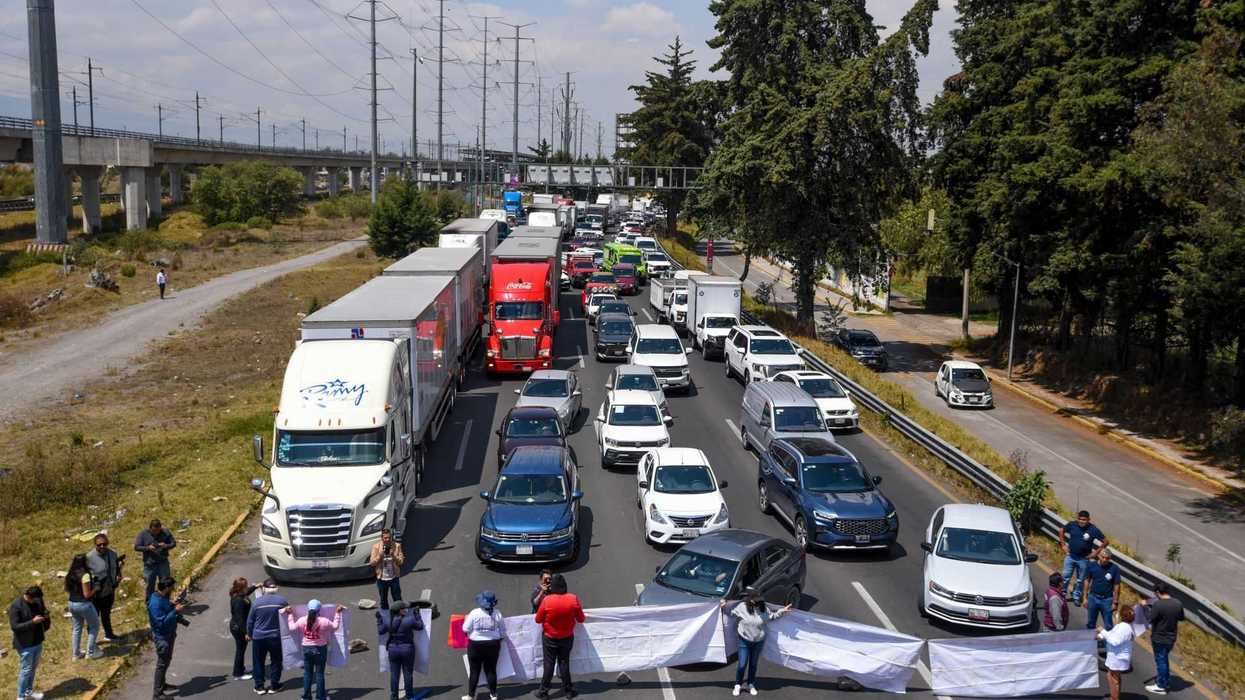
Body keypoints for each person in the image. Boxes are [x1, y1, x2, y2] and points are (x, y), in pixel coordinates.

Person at [722, 595, 792, 696]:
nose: (757, 605)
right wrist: (724, 607)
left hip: (758, 642)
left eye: (759, 603)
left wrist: (783, 611)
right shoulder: (742, 607)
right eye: (755, 603)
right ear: (750, 601)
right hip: (744, 641)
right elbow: (731, 613)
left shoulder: (764, 609)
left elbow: (772, 616)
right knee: (742, 664)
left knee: (753, 664)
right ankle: (738, 684)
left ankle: (751, 684)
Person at [533, 574, 584, 699]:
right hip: (566, 637)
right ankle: (568, 691)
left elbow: (538, 620)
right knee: (564, 663)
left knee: (549, 664)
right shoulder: (573, 599)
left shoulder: (547, 600)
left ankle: (543, 692)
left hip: (549, 638)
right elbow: (581, 619)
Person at [285, 599, 343, 700]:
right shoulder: (324, 621)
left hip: (306, 648)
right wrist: (337, 613)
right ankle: (320, 697)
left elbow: (292, 628)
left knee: (307, 673)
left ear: (308, 609)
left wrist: (290, 615)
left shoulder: (302, 620)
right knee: (320, 674)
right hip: (321, 649)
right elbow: (335, 626)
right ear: (319, 610)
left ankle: (307, 696)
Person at [246, 578, 288, 695]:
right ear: (276, 589)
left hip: (259, 637)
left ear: (264, 589)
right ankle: (274, 685)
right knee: (276, 660)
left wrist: (249, 633)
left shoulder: (256, 603)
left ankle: (259, 686)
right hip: (275, 636)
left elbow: (250, 621)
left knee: (258, 661)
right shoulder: (282, 601)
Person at [10, 586, 51, 700]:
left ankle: (28, 692)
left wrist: (46, 616)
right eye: (34, 600)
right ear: (28, 596)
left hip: (37, 641)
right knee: (26, 670)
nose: (36, 602)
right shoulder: (16, 606)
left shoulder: (37, 601)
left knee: (32, 668)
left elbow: (44, 613)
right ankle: (21, 697)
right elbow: (15, 626)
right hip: (25, 644)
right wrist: (32, 622)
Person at [1144, 582, 1185, 695]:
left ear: (1158, 592)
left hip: (1159, 637)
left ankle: (1161, 685)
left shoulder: (1158, 605)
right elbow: (1181, 618)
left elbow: (1150, 618)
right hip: (1171, 637)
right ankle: (1165, 680)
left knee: (1161, 661)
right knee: (1164, 659)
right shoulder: (1178, 603)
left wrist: (1146, 607)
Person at [463, 591, 505, 700]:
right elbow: (503, 633)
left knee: (474, 671)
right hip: (493, 645)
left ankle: (470, 696)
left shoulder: (474, 613)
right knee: (491, 671)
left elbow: (465, 629)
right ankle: (493, 695)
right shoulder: (498, 614)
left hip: (475, 646)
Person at [378, 600, 424, 700]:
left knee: (394, 674)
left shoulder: (387, 621)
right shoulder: (409, 620)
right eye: (404, 608)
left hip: (393, 650)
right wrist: (417, 614)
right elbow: (420, 626)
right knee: (408, 673)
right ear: (400, 611)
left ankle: (394, 696)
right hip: (407, 649)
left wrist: (379, 620)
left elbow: (380, 631)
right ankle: (409, 695)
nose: (406, 610)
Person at [148, 576, 185, 700]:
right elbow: (161, 623)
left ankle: (162, 685)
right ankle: (157, 695)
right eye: (172, 587)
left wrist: (172, 605)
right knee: (162, 664)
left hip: (169, 634)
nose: (173, 589)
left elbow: (166, 609)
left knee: (167, 660)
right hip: (162, 637)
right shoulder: (155, 603)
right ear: (167, 588)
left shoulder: (161, 597)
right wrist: (175, 611)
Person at [1060, 510, 1107, 606]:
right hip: (1070, 556)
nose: (1082, 521)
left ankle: (1076, 597)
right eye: (1080, 519)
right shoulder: (1072, 525)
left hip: (1083, 559)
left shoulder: (1093, 529)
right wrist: (1063, 544)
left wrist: (1096, 552)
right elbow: (1061, 530)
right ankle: (1062, 594)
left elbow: (1106, 541)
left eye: (1084, 520)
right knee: (1065, 577)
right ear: (1077, 519)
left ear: (1088, 520)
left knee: (1081, 580)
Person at [86, 533, 124, 642]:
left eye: (104, 544)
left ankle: (109, 634)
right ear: (95, 545)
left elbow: (116, 567)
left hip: (110, 589)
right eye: (99, 545)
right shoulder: (89, 557)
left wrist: (118, 575)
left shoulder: (113, 554)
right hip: (96, 592)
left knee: (106, 614)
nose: (102, 546)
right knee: (93, 617)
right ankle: (91, 640)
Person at [65, 553, 104, 660]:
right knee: (94, 626)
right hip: (83, 604)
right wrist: (95, 588)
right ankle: (90, 653)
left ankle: (76, 654)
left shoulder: (71, 573)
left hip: (72, 603)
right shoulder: (85, 575)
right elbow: (87, 594)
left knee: (77, 628)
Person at [1097, 605, 1136, 700]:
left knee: (1113, 679)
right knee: (1113, 677)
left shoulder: (1124, 628)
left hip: (1118, 658)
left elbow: (1114, 641)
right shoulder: (1123, 626)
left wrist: (1102, 631)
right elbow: (1112, 634)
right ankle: (1114, 697)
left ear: (1121, 616)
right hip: (1117, 657)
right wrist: (1101, 635)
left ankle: (1114, 698)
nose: (1116, 615)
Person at [134, 519, 177, 602]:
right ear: (150, 528)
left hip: (163, 562)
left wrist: (166, 545)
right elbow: (136, 547)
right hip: (150, 565)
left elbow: (173, 543)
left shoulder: (165, 532)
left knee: (165, 583)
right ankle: (150, 603)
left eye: (158, 530)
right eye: (154, 531)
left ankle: (165, 602)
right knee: (150, 584)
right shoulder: (143, 534)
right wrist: (148, 548)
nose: (156, 532)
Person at [1082, 548, 1122, 631]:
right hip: (1093, 598)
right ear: (1098, 556)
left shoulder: (1114, 568)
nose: (1104, 560)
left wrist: (1115, 602)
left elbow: (1117, 586)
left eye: (1107, 558)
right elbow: (1087, 581)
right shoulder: (1091, 565)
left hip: (1107, 600)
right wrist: (1085, 598)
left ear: (1110, 558)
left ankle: (1109, 642)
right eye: (1103, 557)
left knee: (1109, 625)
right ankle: (1090, 640)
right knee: (1091, 623)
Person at [228, 577, 258, 682]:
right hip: (238, 628)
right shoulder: (239, 601)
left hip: (238, 626)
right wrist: (246, 633)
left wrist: (255, 587)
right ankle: (238, 674)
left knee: (242, 649)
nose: (247, 587)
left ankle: (241, 668)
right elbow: (239, 619)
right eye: (246, 586)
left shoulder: (239, 595)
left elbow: (247, 592)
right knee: (240, 650)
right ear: (241, 588)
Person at [369, 529, 405, 611]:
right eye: (385, 538)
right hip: (382, 578)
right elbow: (372, 563)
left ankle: (400, 614)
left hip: (394, 577)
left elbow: (401, 562)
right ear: (382, 538)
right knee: (383, 599)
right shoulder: (376, 547)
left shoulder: (397, 546)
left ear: (391, 537)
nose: (387, 539)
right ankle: (385, 616)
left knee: (397, 598)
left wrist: (393, 555)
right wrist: (380, 556)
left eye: (389, 537)